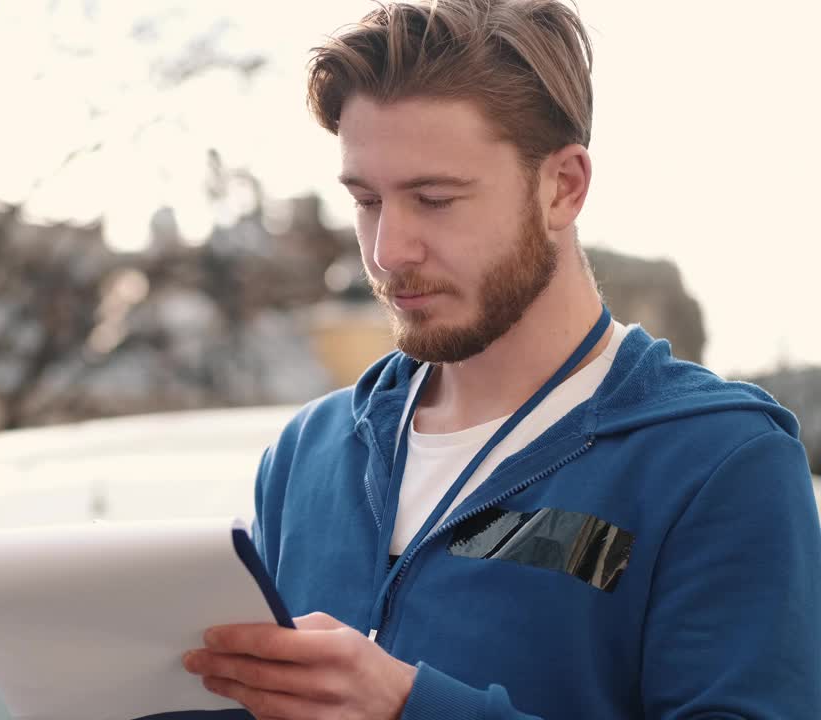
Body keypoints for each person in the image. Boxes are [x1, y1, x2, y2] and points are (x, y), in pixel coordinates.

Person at [181, 0, 821, 717]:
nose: (388, 251)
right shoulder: (310, 452)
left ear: (563, 187)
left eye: (434, 199)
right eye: (367, 201)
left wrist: (408, 708)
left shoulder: (717, 461)